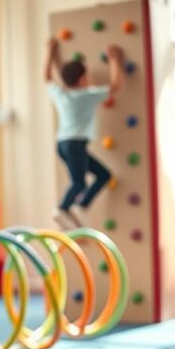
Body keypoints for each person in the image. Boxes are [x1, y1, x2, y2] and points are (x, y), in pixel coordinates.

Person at [44, 37, 124, 228]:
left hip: (63, 145)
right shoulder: (87, 95)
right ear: (81, 80)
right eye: (86, 77)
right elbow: (116, 85)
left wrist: (50, 52)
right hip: (75, 144)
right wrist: (114, 59)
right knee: (79, 183)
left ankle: (79, 206)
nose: (89, 80)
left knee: (104, 175)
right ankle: (61, 209)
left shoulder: (60, 93)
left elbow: (47, 77)